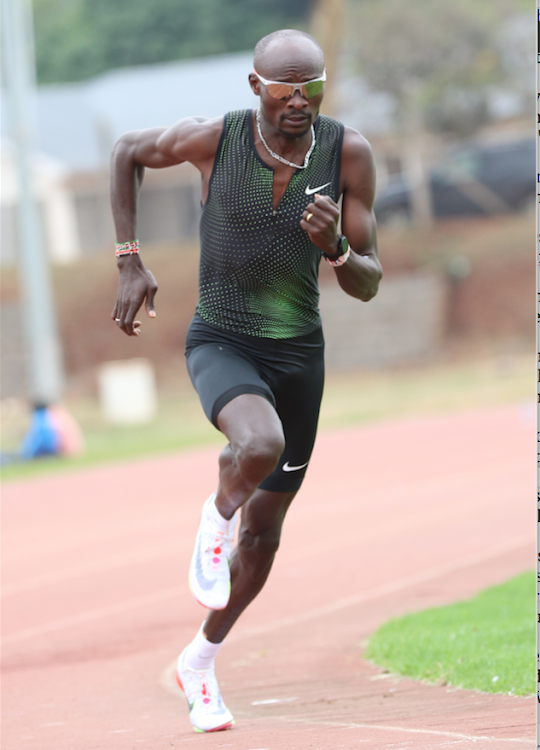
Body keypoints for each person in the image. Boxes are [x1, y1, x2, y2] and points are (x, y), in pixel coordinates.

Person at [110, 28, 382, 733]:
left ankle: (199, 662)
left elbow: (369, 283)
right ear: (256, 86)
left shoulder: (347, 153)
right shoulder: (214, 141)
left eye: (312, 87)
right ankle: (213, 516)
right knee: (256, 444)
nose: (300, 100)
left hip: (298, 356)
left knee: (264, 537)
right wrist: (128, 258)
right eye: (286, 87)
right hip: (223, 338)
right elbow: (125, 153)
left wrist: (339, 249)